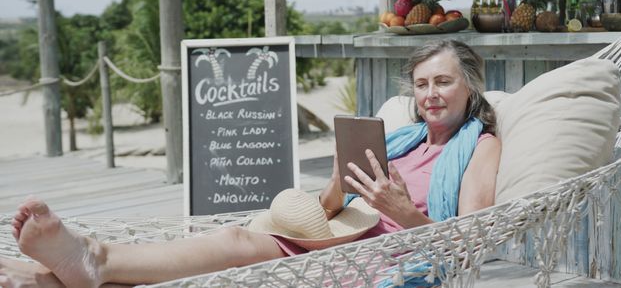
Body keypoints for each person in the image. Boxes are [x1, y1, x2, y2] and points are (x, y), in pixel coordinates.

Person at [0, 39, 501, 287]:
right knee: (234, 239)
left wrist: (400, 208)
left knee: (241, 271)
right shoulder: (401, 138)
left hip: (389, 257)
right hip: (337, 233)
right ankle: (91, 258)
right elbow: (332, 206)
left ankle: (52, 277)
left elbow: (468, 242)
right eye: (422, 84)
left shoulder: (479, 146)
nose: (431, 95)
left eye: (443, 82)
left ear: (469, 86)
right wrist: (337, 183)